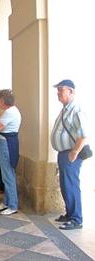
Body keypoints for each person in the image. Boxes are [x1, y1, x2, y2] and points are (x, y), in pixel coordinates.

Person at [51, 79, 88, 230]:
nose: (58, 93)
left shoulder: (76, 109)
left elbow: (83, 134)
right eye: (58, 90)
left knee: (71, 185)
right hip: (64, 152)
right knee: (65, 185)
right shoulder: (66, 108)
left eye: (61, 90)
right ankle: (69, 213)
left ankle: (76, 219)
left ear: (71, 91)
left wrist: (74, 152)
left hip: (71, 153)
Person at [0, 89, 21, 216]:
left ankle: (13, 205)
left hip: (6, 144)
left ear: (2, 100)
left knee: (8, 175)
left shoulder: (9, 112)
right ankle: (6, 202)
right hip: (5, 143)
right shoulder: (9, 111)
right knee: (5, 174)